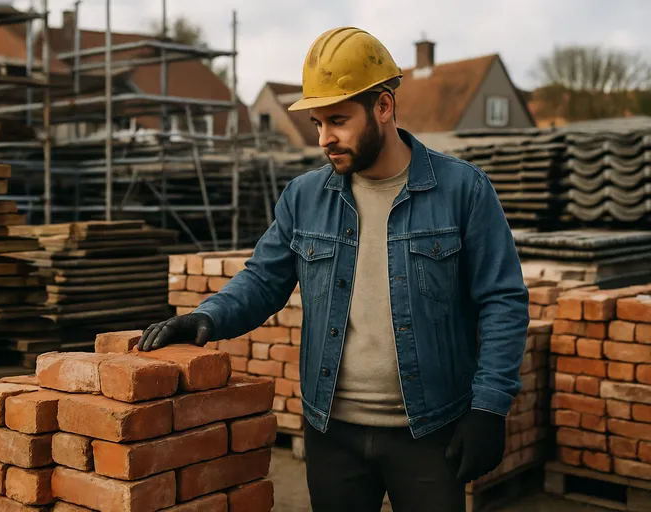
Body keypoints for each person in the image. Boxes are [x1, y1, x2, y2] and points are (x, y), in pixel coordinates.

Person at [137, 26, 529, 512]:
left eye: (338, 119)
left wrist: (489, 407)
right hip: (332, 434)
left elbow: (503, 301)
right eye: (318, 122)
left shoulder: (463, 191)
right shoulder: (305, 198)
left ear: (383, 107)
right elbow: (263, 280)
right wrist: (207, 318)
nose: (324, 138)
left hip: (430, 431)